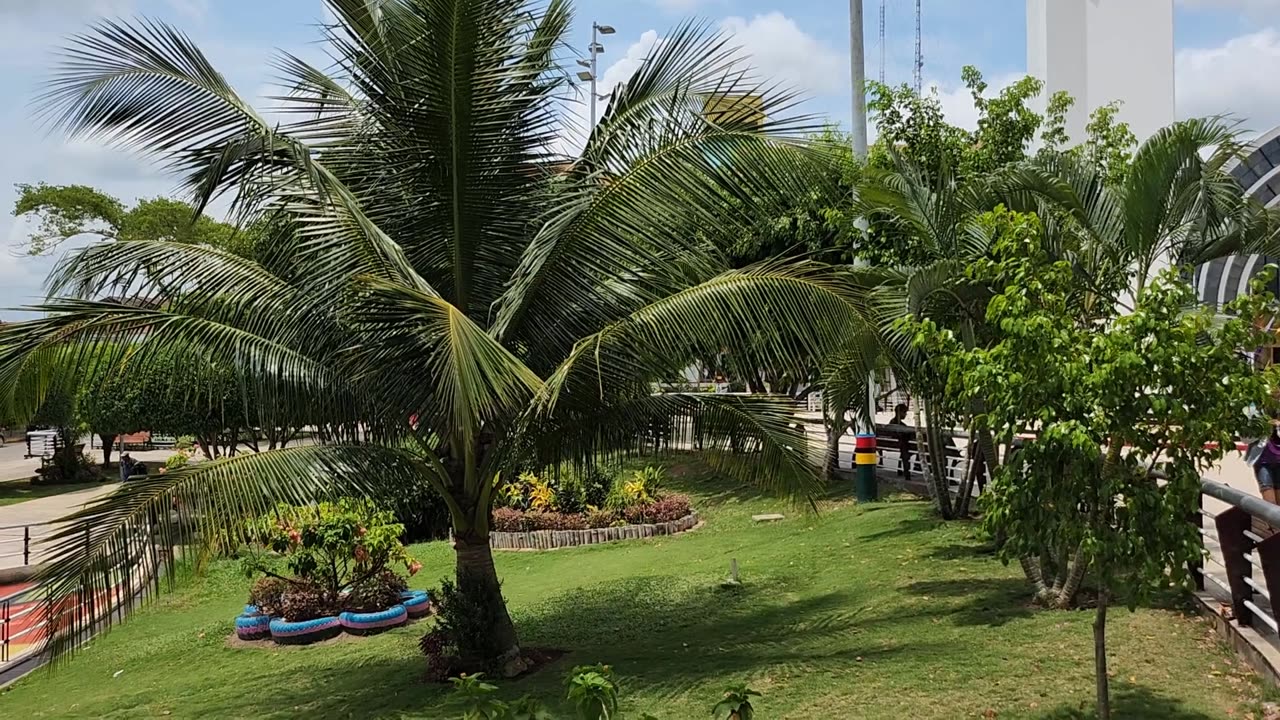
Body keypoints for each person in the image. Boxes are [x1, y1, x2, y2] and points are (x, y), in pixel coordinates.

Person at [1247, 411, 1280, 505]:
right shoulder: (1255, 410)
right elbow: (1245, 439)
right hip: (1262, 462)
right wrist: (1260, 426)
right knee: (1270, 503)